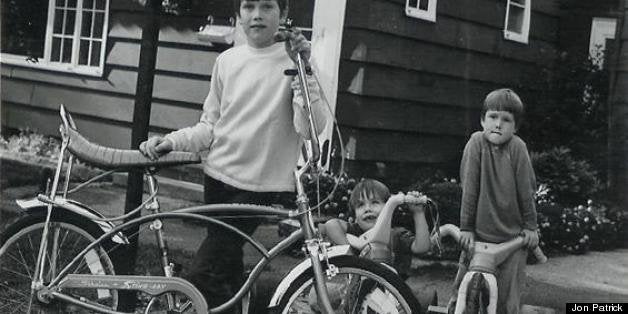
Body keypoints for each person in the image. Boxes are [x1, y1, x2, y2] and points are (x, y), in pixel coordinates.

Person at [139, 0, 329, 310]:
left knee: (204, 273)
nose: (256, 15)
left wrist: (303, 69)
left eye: (267, 7)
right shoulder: (227, 61)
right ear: (238, 14)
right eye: (248, 6)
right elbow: (210, 126)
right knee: (225, 270)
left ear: (283, 15)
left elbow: (309, 128)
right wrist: (171, 142)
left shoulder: (295, 59)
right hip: (218, 180)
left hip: (261, 187)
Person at [451, 88, 539, 313]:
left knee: (507, 300)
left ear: (515, 127)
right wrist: (466, 228)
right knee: (463, 291)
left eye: (506, 119)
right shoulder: (476, 143)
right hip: (478, 235)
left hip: (512, 238)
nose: (498, 124)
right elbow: (469, 187)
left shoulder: (517, 148)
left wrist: (530, 227)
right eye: (493, 117)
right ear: (482, 120)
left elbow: (526, 190)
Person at [321, 179, 432, 274]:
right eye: (360, 205)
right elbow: (331, 225)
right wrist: (351, 258)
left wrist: (418, 213)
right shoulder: (355, 232)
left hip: (390, 293)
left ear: (388, 208)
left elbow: (421, 247)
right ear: (354, 215)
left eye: (374, 202)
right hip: (356, 293)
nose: (367, 209)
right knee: (314, 295)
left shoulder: (396, 234)